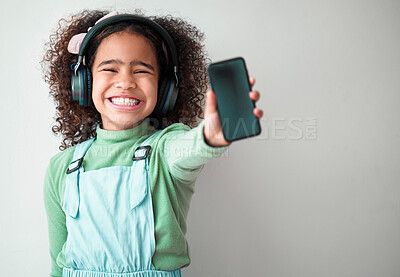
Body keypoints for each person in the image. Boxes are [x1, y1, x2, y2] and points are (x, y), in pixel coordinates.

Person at [41, 9, 263, 277]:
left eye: (142, 70)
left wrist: (210, 135)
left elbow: (190, 147)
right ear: (83, 82)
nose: (125, 82)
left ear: (166, 88)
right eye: (110, 68)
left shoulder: (165, 148)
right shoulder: (61, 168)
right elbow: (58, 262)